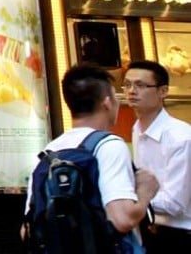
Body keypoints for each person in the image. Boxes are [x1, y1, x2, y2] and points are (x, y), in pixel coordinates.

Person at [23, 63, 159, 249]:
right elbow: (122, 218)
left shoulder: (47, 154)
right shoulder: (109, 145)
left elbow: (27, 230)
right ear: (107, 102)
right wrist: (145, 191)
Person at [125, 59, 191, 251]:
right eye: (128, 84)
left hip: (180, 236)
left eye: (140, 85)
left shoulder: (181, 137)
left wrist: (129, 202)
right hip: (150, 228)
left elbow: (174, 203)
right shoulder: (137, 129)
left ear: (163, 91)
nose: (131, 91)